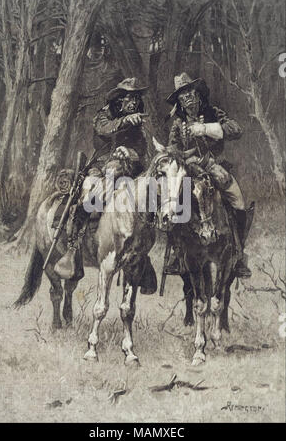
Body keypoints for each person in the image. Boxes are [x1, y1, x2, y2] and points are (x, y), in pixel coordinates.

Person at [54, 77, 153, 283]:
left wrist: (130, 152)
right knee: (95, 192)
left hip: (131, 167)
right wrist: (124, 121)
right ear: (119, 99)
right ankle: (74, 245)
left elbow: (143, 148)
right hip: (104, 165)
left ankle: (144, 254)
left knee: (151, 196)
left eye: (136, 98)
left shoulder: (139, 120)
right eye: (129, 98)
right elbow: (103, 129)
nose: (133, 102)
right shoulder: (105, 114)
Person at [165, 72, 253, 278]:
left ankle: (239, 254)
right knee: (173, 203)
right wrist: (180, 155)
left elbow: (236, 129)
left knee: (238, 200)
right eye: (183, 95)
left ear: (198, 94)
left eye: (191, 93)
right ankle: (177, 254)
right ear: (179, 101)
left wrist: (206, 128)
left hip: (215, 165)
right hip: (189, 170)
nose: (188, 99)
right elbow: (172, 147)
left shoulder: (213, 112)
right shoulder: (178, 124)